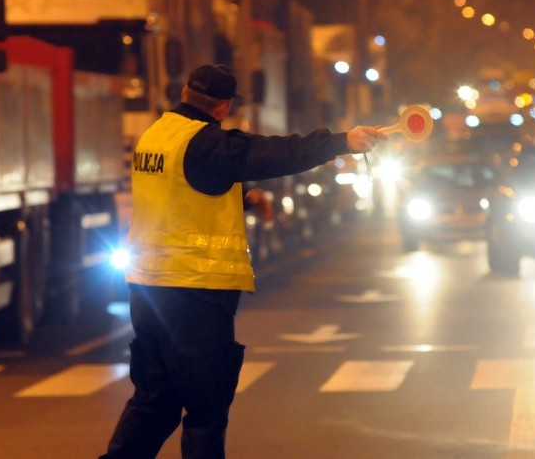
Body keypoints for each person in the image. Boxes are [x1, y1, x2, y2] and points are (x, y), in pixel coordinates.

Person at [99, 64, 386, 459]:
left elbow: (184, 191)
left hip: (147, 289)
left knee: (154, 401)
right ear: (223, 107)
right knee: (206, 410)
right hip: (195, 293)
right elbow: (274, 153)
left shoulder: (157, 135)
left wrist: (245, 197)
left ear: (185, 93)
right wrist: (342, 141)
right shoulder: (208, 143)